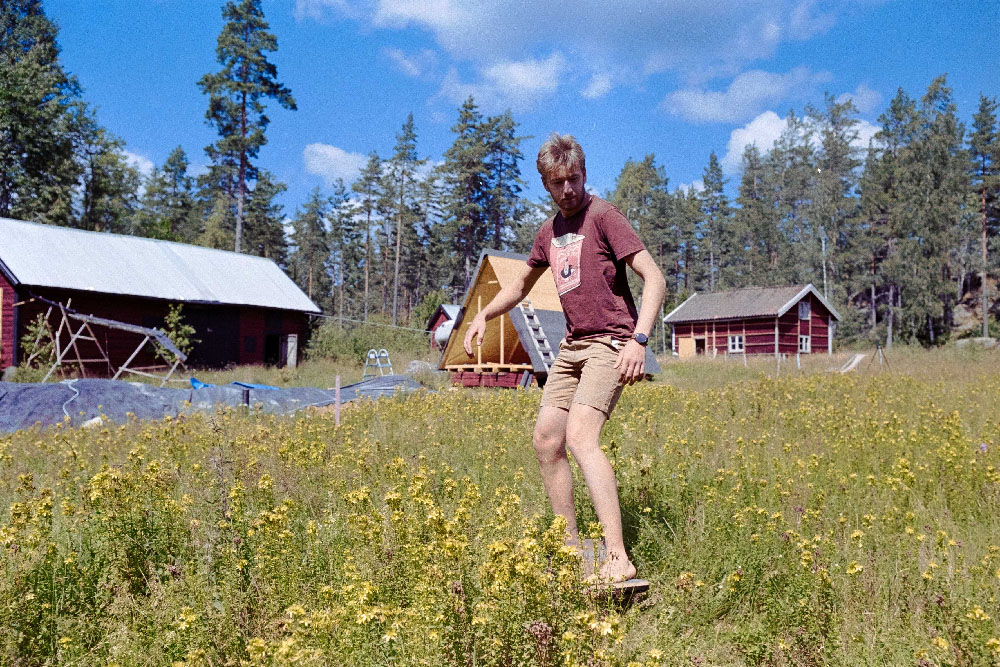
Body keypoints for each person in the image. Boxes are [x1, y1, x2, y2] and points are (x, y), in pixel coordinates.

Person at [464, 133, 666, 583]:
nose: (568, 189)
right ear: (546, 185)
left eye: (574, 179)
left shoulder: (605, 217)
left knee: (580, 435)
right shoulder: (549, 233)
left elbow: (654, 277)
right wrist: (483, 315)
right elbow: (519, 285)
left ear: (584, 174)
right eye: (558, 183)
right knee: (546, 440)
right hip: (572, 346)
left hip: (611, 343)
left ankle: (618, 557)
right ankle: (570, 548)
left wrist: (639, 339)